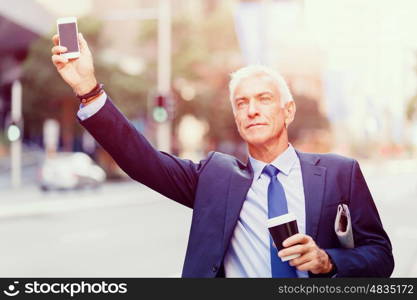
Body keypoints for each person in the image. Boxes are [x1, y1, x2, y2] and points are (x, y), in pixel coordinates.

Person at [51, 33, 394, 278]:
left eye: (264, 99)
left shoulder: (340, 173)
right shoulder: (215, 178)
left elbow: (380, 257)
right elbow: (142, 160)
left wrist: (327, 261)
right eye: (242, 103)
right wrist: (88, 89)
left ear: (288, 110)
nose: (252, 110)